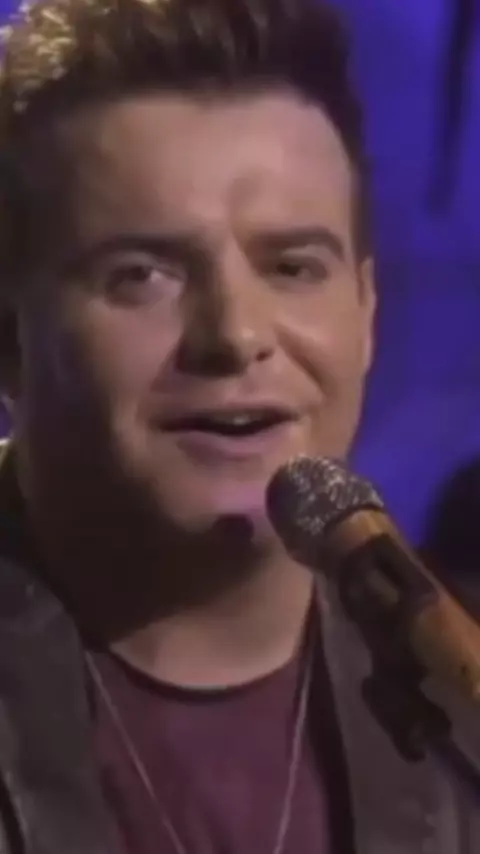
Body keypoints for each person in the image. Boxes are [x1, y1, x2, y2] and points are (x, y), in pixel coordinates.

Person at [0, 1, 477, 853]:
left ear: (366, 312)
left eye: (292, 267)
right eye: (142, 274)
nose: (235, 334)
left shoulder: (456, 694)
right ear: (9, 337)